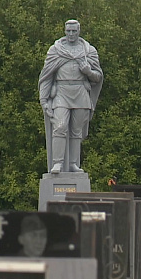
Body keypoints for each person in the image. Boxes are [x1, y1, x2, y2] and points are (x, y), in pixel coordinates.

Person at [38, 19, 104, 174]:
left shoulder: (89, 51)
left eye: (74, 31)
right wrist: (44, 100)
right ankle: (58, 163)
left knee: (76, 131)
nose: (71, 34)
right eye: (68, 31)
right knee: (60, 127)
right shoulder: (56, 50)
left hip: (80, 92)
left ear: (79, 31)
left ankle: (73, 164)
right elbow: (46, 76)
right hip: (61, 91)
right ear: (64, 31)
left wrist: (88, 71)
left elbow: (97, 78)